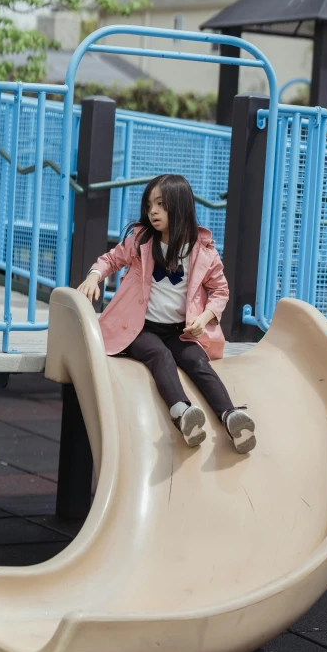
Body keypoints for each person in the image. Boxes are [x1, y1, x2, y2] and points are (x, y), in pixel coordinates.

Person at [77, 173, 256, 454]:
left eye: (161, 204)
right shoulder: (141, 240)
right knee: (159, 356)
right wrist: (93, 277)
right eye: (149, 205)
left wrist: (205, 317)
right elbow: (111, 259)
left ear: (180, 205)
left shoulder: (203, 252)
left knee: (197, 361)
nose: (153, 212)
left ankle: (230, 415)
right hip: (140, 328)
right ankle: (181, 412)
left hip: (178, 330)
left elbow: (221, 291)